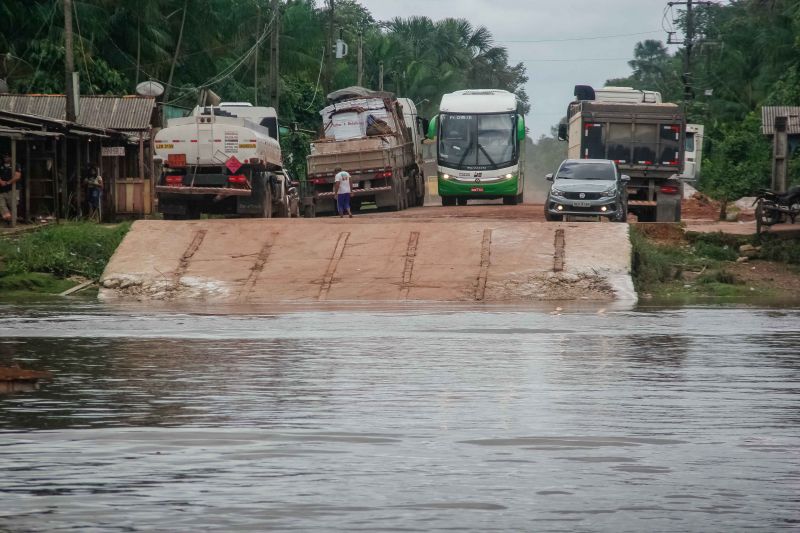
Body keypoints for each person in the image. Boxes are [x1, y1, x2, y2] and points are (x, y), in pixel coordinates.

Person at [0, 153, 22, 226]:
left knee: (13, 205)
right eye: (4, 157)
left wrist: (8, 182)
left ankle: (12, 223)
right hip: (2, 189)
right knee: (1, 204)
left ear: (11, 157)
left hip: (13, 189)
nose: (5, 158)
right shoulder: (1, 165)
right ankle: (7, 217)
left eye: (7, 157)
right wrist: (1, 181)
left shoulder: (16, 165)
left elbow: (17, 176)